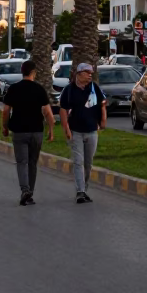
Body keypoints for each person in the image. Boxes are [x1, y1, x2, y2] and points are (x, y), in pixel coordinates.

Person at [1, 60, 55, 205]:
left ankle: (25, 190)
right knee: (32, 163)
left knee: (22, 162)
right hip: (36, 131)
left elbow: (6, 111)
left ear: (22, 71)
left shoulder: (14, 89)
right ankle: (29, 193)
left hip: (19, 131)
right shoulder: (39, 89)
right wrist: (51, 130)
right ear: (33, 72)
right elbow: (48, 113)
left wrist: (5, 127)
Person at [58, 62, 106, 204]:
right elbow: (63, 110)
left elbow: (103, 104)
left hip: (91, 131)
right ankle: (80, 191)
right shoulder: (69, 90)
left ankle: (84, 188)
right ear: (78, 74)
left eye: (91, 72)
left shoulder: (94, 88)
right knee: (78, 162)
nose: (90, 74)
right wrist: (66, 129)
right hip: (76, 131)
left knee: (88, 164)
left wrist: (103, 121)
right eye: (87, 72)